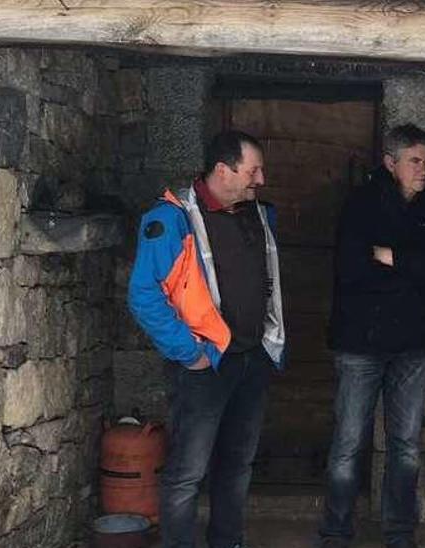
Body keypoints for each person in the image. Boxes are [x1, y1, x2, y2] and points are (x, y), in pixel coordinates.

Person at [127, 130, 285, 548]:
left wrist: (269, 347)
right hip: (204, 365)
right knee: (187, 473)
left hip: (251, 361)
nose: (261, 180)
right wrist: (189, 353)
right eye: (253, 170)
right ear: (223, 170)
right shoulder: (171, 219)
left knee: (237, 466)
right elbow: (145, 297)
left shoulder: (257, 214)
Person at [318, 124, 425, 548]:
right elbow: (352, 269)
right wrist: (418, 267)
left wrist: (392, 257)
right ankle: (335, 533)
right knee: (348, 444)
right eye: (415, 161)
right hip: (360, 343)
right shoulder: (361, 206)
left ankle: (399, 534)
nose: (424, 169)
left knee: (405, 446)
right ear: (390, 163)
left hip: (412, 345)